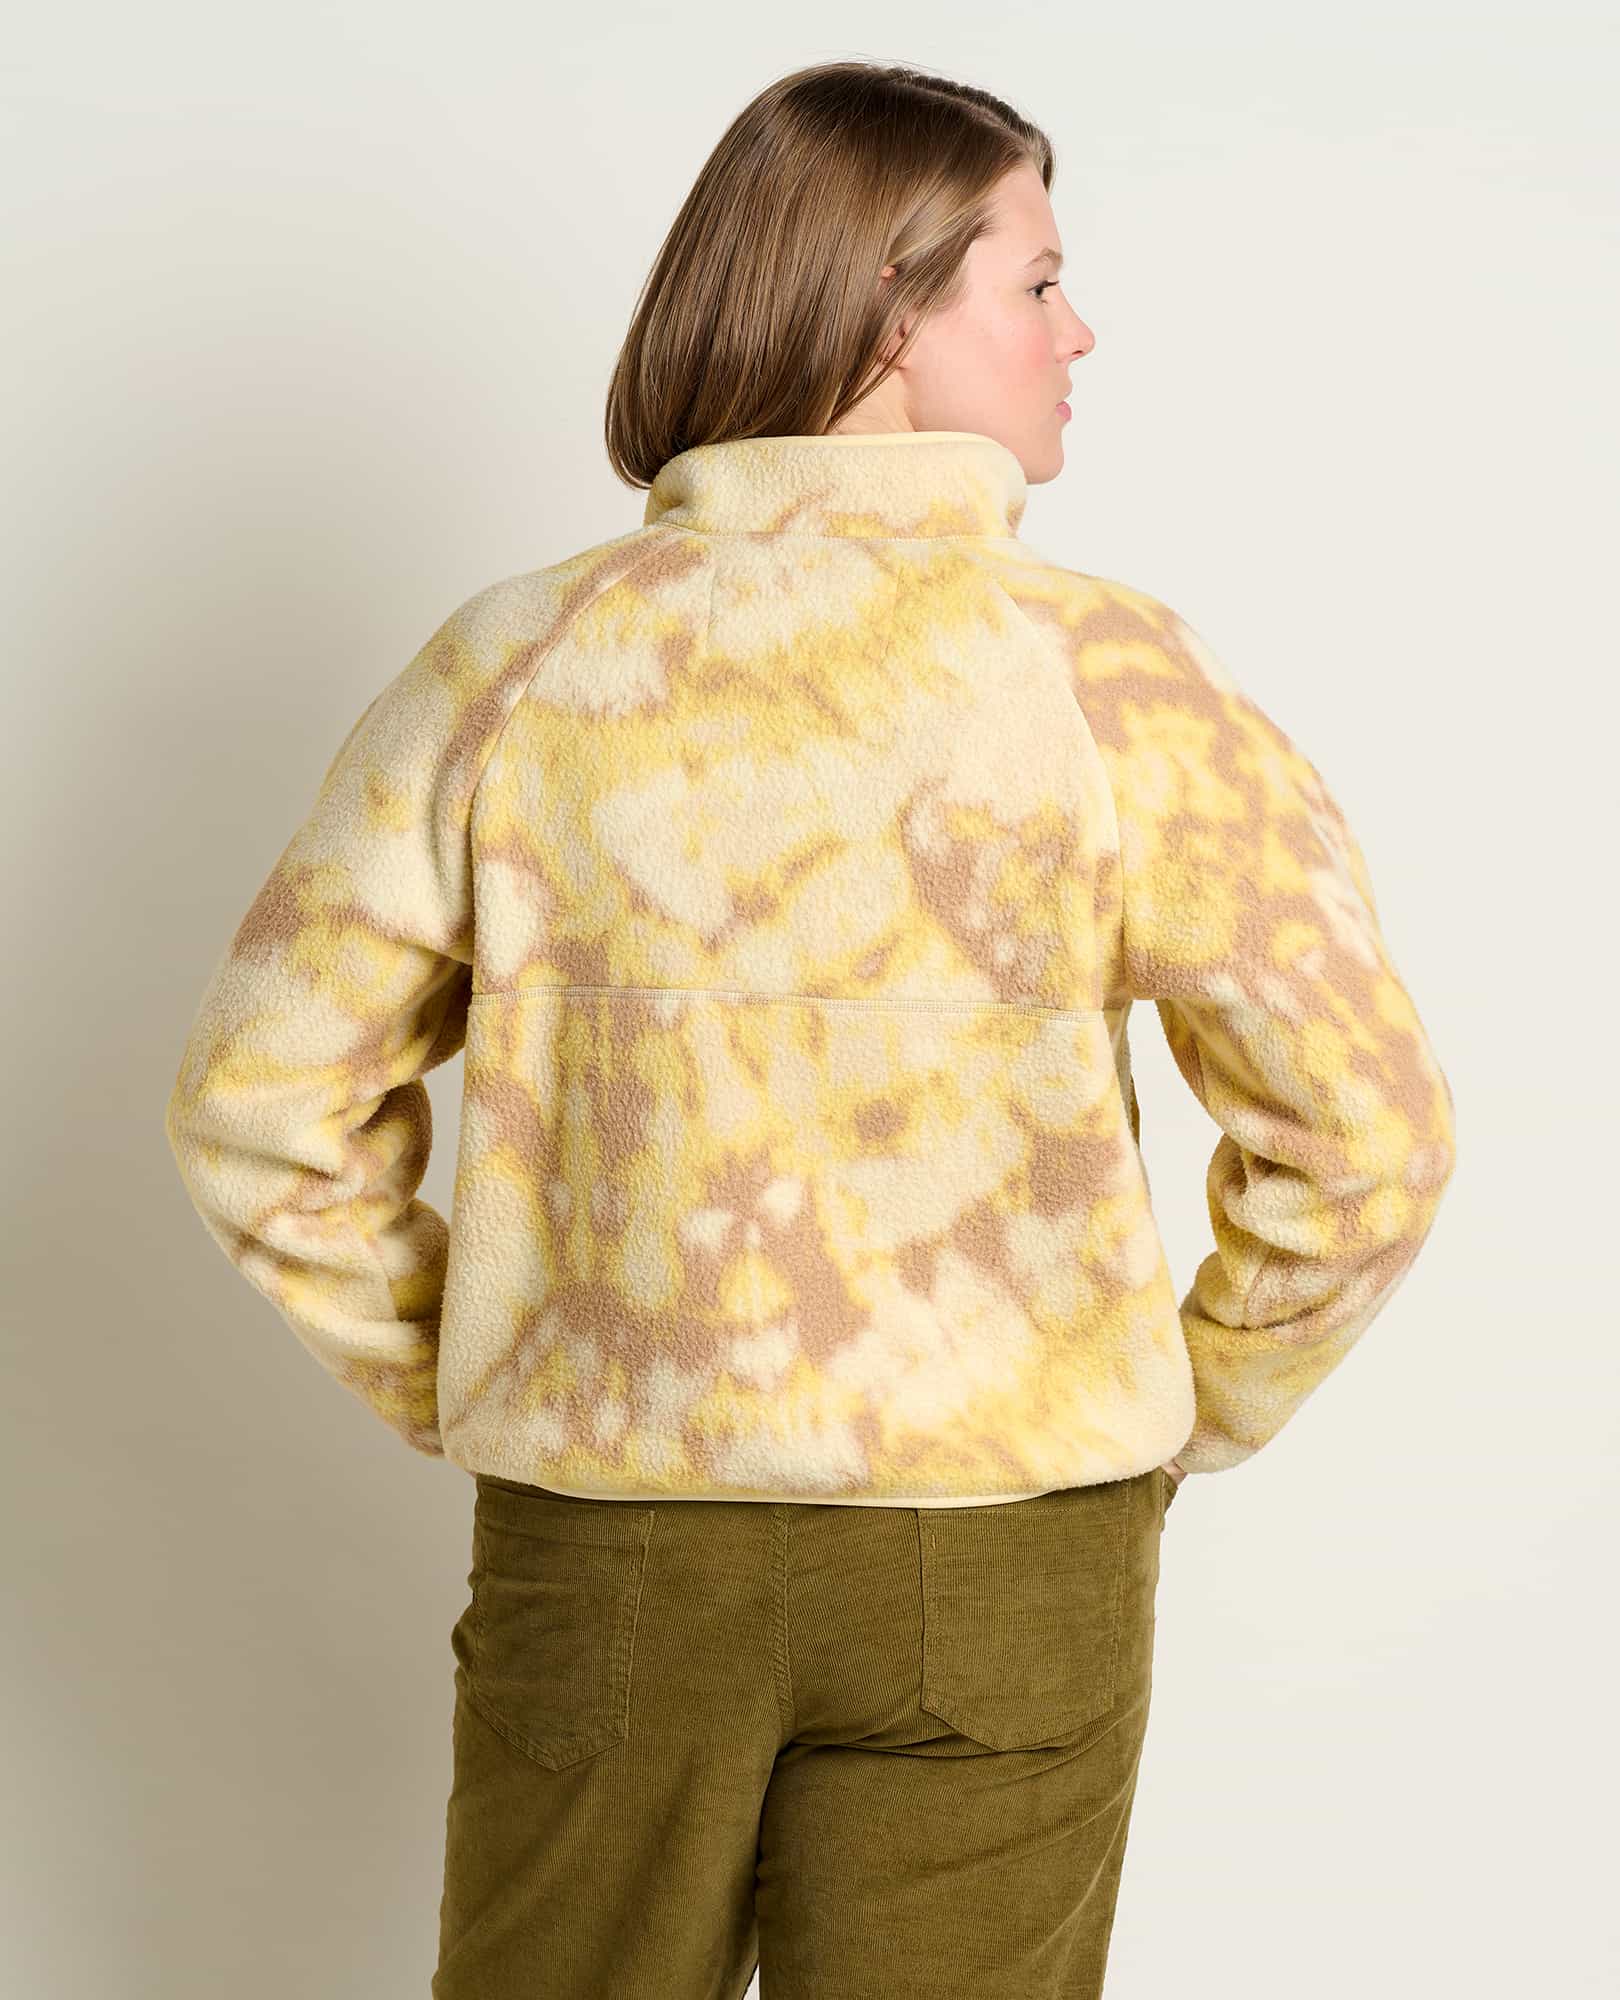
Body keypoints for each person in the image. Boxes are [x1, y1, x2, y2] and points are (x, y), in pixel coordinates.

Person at [163, 59, 1456, 2000]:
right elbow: (1369, 1135)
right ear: (887, 310)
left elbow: (258, 1106)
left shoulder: (520, 662)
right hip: (1010, 1550)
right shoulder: (1110, 674)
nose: (1079, 330)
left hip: (613, 1544)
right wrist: (1186, 1407)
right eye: (1037, 280)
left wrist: (493, 1373)